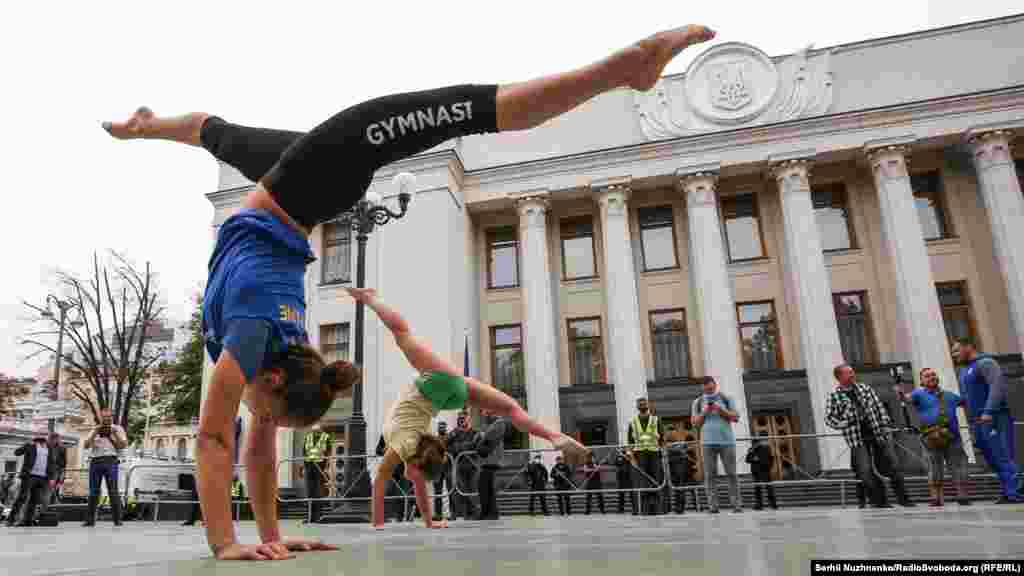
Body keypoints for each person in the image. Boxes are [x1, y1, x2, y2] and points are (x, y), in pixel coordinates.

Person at [103, 24, 715, 559]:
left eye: (269, 415)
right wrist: (237, 540)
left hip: (300, 186)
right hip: (317, 178)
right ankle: (621, 70)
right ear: (275, 382)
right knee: (461, 110)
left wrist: (253, 538)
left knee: (225, 132)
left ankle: (151, 125)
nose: (260, 421)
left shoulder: (259, 354)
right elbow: (225, 443)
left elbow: (245, 449)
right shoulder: (256, 347)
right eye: (269, 412)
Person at [352, 287, 588, 528]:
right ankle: (552, 435)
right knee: (402, 334)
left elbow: (381, 477)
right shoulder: (413, 450)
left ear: (415, 464)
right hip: (444, 387)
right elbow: (415, 486)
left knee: (402, 333)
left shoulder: (405, 447)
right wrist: (429, 523)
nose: (416, 482)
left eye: (417, 476)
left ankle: (554, 436)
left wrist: (377, 523)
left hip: (445, 394)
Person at [826, 364, 913, 509]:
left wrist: (885, 425)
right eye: (849, 373)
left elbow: (879, 407)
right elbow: (829, 418)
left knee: (892, 466)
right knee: (866, 471)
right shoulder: (835, 396)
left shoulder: (865, 389)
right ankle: (879, 501)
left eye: (853, 372)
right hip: (857, 439)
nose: (853, 375)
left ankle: (904, 499)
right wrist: (843, 423)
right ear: (839, 377)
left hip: (877, 433)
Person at [952, 338, 1022, 503]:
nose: (954, 354)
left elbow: (997, 387)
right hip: (977, 421)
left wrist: (989, 410)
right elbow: (968, 397)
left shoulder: (986, 362)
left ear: (968, 347)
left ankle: (1017, 492)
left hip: (994, 417)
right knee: (992, 459)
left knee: (1003, 455)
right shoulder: (964, 370)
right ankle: (1008, 491)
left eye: (956, 350)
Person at [902, 367, 970, 507]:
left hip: (952, 437)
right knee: (934, 468)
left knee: (958, 467)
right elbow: (906, 399)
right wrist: (900, 392)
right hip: (930, 438)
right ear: (921, 381)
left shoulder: (950, 395)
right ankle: (936, 499)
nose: (931, 377)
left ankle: (962, 496)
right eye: (927, 376)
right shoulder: (918, 394)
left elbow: (966, 403)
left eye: (933, 374)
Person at [692, 377, 742, 514]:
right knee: (709, 476)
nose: (708, 388)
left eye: (710, 385)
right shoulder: (698, 402)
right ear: (702, 387)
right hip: (707, 442)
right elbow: (695, 423)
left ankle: (737, 505)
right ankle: (713, 506)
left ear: (715, 384)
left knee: (731, 474)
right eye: (705, 386)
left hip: (727, 441)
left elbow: (736, 417)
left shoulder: (726, 398)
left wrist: (721, 410)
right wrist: (705, 411)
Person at [83, 409, 130, 527]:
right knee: (93, 491)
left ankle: (118, 520)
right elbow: (86, 445)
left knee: (113, 491)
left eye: (109, 417)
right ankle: (90, 520)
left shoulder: (118, 429)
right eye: (104, 417)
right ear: (101, 417)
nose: (107, 419)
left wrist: (114, 434)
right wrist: (95, 432)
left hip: (111, 460)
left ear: (112, 417)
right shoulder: (95, 428)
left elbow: (123, 445)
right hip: (96, 460)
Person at [6, 433, 54, 527]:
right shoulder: (30, 446)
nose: (44, 440)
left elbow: (51, 463)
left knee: (34, 500)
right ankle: (10, 519)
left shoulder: (49, 449)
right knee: (22, 497)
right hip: (29, 476)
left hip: (42, 477)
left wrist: (51, 477)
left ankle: (28, 520)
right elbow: (17, 452)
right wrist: (27, 445)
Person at [627, 397, 664, 515]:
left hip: (654, 454)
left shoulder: (656, 420)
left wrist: (663, 453)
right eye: (640, 404)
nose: (642, 405)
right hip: (640, 455)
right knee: (642, 482)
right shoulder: (633, 422)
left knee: (656, 481)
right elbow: (630, 442)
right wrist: (631, 457)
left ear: (648, 405)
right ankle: (644, 509)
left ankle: (658, 509)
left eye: (644, 403)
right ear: (637, 407)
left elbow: (662, 438)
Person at [475, 410, 509, 520]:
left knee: (486, 487)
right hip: (486, 461)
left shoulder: (499, 423)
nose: (483, 413)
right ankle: (489, 512)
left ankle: (489, 513)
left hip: (492, 460)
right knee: (485, 487)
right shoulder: (487, 424)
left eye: (485, 411)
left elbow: (487, 437)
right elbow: (476, 439)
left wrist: (482, 436)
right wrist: (481, 436)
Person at [446, 411, 480, 520]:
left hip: (473, 466)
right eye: (459, 419)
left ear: (468, 419)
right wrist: (465, 446)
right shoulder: (454, 434)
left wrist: (460, 447)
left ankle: (474, 513)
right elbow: (448, 448)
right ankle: (462, 514)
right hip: (459, 466)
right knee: (460, 490)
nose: (461, 421)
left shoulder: (475, 433)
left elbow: (477, 447)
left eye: (463, 418)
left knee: (472, 490)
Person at [300, 423, 332, 523]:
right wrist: (304, 468)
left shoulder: (326, 437)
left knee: (319, 492)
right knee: (310, 492)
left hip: (320, 467)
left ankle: (318, 516)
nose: (314, 431)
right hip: (309, 467)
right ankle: (310, 517)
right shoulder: (308, 437)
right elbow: (304, 453)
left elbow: (328, 453)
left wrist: (326, 467)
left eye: (317, 430)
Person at [745, 432, 777, 510]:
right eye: (763, 439)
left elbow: (771, 459)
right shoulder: (752, 449)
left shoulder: (768, 448)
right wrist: (753, 458)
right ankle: (759, 505)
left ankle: (773, 504)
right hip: (756, 471)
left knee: (769, 488)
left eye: (766, 439)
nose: (765, 441)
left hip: (766, 470)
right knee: (757, 489)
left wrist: (769, 466)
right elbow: (747, 459)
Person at [664, 426, 689, 514]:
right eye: (669, 431)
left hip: (678, 469)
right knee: (667, 488)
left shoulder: (681, 443)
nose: (670, 433)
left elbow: (684, 449)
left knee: (679, 488)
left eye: (673, 431)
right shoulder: (664, 444)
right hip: (668, 469)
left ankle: (679, 508)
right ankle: (667, 508)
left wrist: (672, 447)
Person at [431, 421, 452, 523]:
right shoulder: (434, 439)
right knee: (437, 493)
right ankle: (438, 514)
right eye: (440, 427)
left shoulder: (449, 438)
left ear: (446, 428)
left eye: (443, 427)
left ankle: (452, 513)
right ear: (438, 428)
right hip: (437, 469)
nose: (442, 428)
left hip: (448, 467)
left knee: (450, 490)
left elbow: (451, 449)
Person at [614, 448, 638, 515]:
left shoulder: (629, 456)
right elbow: (616, 463)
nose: (623, 450)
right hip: (621, 478)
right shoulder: (619, 457)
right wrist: (621, 457)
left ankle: (635, 509)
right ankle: (620, 510)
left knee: (632, 495)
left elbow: (633, 462)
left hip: (629, 478)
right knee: (621, 495)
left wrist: (629, 456)